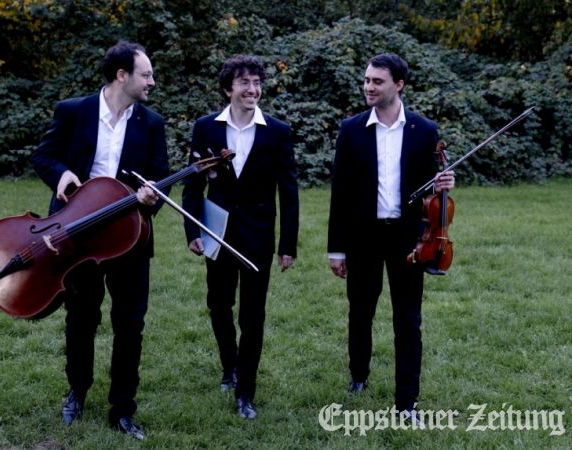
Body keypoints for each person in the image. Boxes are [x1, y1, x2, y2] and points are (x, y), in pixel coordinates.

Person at [30, 40, 169, 440]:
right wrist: (62, 176)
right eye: (146, 74)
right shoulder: (73, 111)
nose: (152, 82)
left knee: (130, 323)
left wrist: (149, 199)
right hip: (78, 235)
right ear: (122, 75)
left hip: (129, 235)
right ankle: (77, 389)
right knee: (81, 317)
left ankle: (123, 408)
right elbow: (44, 156)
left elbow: (159, 177)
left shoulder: (152, 122)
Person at [327, 53, 455, 425]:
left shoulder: (424, 130)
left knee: (408, 320)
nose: (369, 87)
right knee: (360, 312)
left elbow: (435, 188)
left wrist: (446, 183)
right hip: (362, 237)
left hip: (408, 239)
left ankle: (407, 404)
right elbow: (340, 195)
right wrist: (336, 248)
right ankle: (359, 375)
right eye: (366, 80)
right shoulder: (351, 130)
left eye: (377, 81)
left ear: (398, 85)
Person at [181, 55, 299, 420]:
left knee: (253, 313)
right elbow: (193, 183)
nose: (253, 89)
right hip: (216, 231)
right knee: (218, 304)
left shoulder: (277, 131)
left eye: (257, 82)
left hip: (258, 234)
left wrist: (287, 246)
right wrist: (193, 230)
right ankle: (229, 365)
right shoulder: (206, 128)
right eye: (245, 82)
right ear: (228, 88)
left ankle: (245, 391)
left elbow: (289, 190)